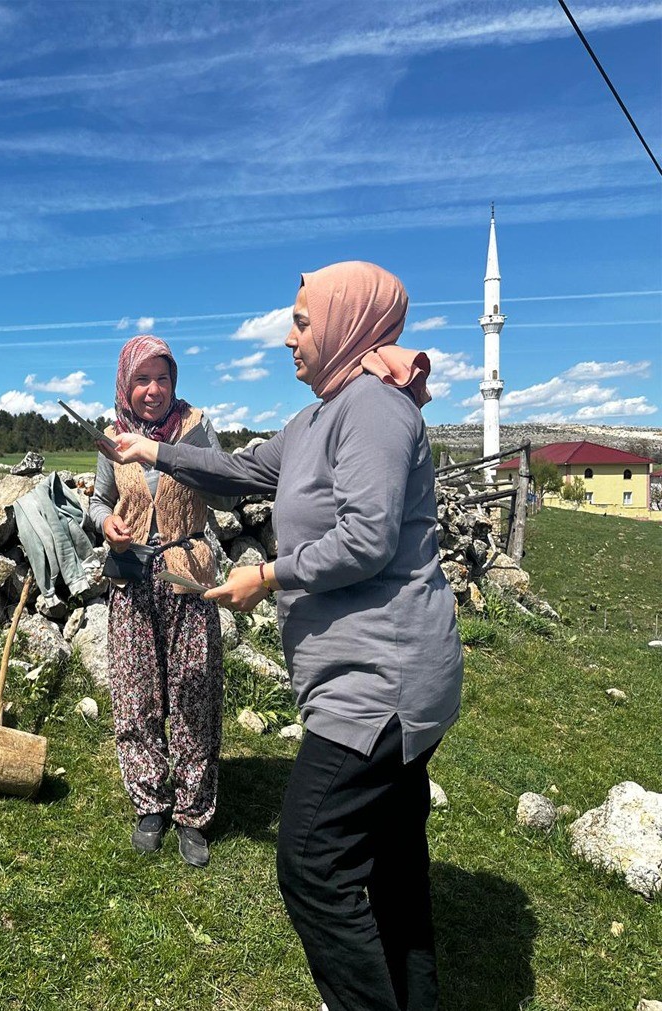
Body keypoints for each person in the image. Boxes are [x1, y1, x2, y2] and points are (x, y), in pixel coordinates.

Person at [106, 263, 462, 1009]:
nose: (288, 336)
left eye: (302, 321)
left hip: (380, 684)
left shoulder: (373, 409)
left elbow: (366, 538)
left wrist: (266, 576)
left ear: (345, 323)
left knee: (309, 861)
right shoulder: (314, 421)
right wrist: (154, 453)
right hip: (377, 681)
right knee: (393, 869)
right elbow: (236, 469)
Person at [89, 335, 236, 868]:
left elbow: (226, 492)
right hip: (131, 577)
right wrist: (105, 523)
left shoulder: (195, 428)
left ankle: (193, 813)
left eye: (163, 379)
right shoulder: (112, 436)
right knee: (135, 695)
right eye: (142, 380)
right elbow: (101, 501)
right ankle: (151, 802)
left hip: (187, 575)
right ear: (125, 385)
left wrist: (181, 457)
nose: (153, 391)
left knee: (193, 692)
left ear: (175, 382)